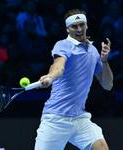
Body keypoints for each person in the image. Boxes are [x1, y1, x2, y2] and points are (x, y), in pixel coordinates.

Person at [34, 9, 113, 150]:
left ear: (87, 25)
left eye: (81, 25)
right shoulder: (63, 45)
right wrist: (50, 77)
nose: (79, 29)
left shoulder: (93, 51)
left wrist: (105, 61)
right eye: (74, 26)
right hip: (55, 119)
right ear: (67, 29)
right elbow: (58, 67)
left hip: (79, 119)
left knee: (101, 147)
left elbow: (107, 85)